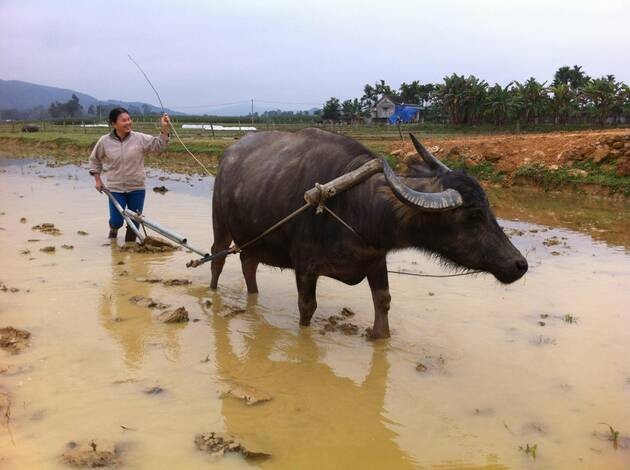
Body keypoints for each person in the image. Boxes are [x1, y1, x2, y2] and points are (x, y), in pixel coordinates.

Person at [88, 107, 170, 242]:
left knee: (134, 223)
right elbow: (95, 159)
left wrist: (165, 128)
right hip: (116, 188)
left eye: (129, 119)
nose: (128, 123)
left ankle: (129, 250)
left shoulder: (139, 138)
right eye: (123, 120)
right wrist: (98, 180)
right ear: (114, 124)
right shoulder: (105, 141)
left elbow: (159, 145)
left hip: (137, 187)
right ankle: (113, 237)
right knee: (117, 221)